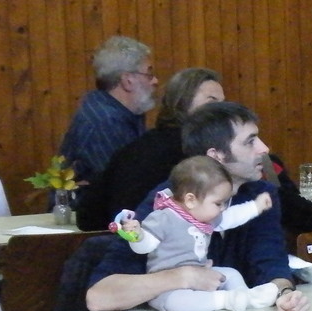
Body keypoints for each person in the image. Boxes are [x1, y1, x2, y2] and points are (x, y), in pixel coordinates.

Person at [86, 102, 310, 311]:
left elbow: (270, 262)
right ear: (216, 155)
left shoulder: (260, 194)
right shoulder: (169, 201)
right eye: (250, 141)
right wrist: (182, 276)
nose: (264, 149)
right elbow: (98, 297)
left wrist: (285, 294)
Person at [120, 155, 279, 311]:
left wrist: (255, 206)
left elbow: (231, 217)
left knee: (231, 274)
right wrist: (138, 236)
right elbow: (145, 246)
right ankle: (227, 299)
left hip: (202, 275)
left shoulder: (206, 217)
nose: (223, 208)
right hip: (168, 287)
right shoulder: (164, 218)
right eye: (218, 203)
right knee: (178, 303)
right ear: (191, 200)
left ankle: (246, 297)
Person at [75, 67, 225, 230]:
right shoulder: (189, 154)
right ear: (182, 102)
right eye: (212, 101)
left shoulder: (142, 144)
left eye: (223, 103)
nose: (224, 111)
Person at [57, 36, 157, 187]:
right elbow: (126, 183)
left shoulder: (121, 112)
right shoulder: (104, 123)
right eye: (149, 74)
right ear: (127, 80)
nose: (155, 81)